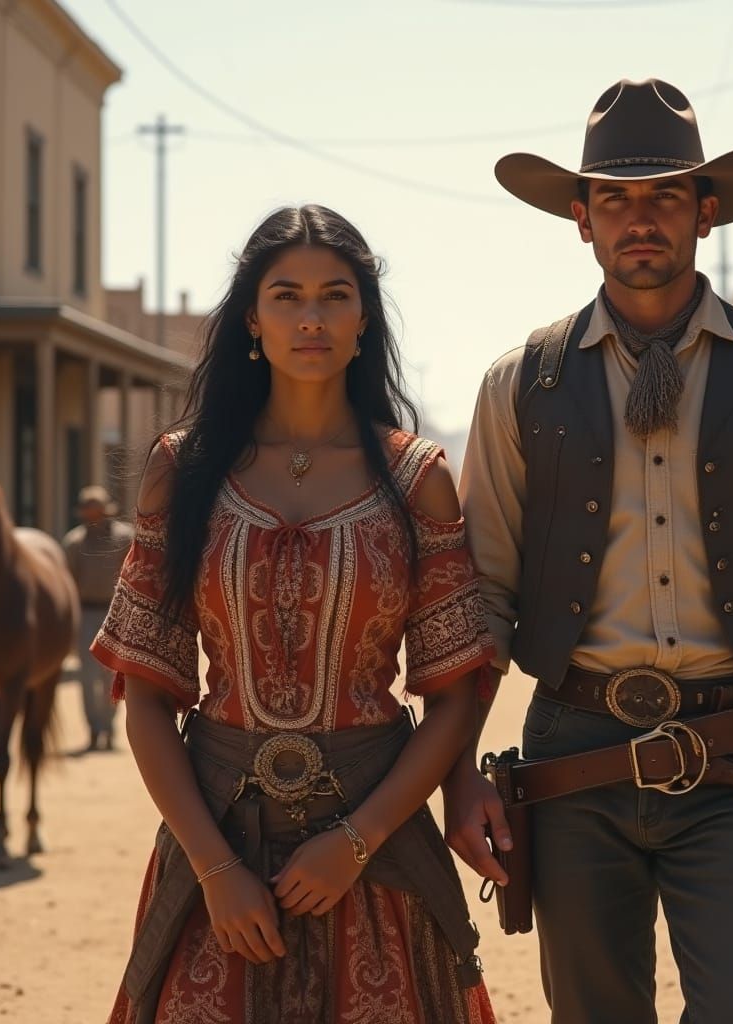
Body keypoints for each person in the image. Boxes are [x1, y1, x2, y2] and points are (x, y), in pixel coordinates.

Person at [445, 79, 733, 1024]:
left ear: (706, 211)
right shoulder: (521, 384)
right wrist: (457, 772)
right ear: (581, 219)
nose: (638, 219)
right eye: (614, 198)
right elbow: (477, 600)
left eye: (665, 196)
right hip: (572, 757)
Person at [91, 205, 498, 1024]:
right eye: (286, 296)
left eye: (335, 296)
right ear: (253, 317)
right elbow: (146, 699)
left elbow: (455, 699)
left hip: (378, 856)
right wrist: (215, 870)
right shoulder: (182, 470)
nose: (311, 318)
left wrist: (355, 842)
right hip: (216, 846)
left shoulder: (416, 479)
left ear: (363, 317)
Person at [62, 484, 134, 751]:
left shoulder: (125, 538)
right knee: (87, 675)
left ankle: (108, 726)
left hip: (116, 613)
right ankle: (93, 728)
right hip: (86, 613)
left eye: (97, 510)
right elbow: (68, 583)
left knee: (112, 675)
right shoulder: (74, 542)